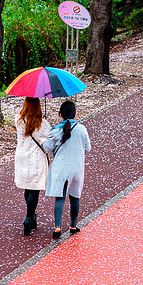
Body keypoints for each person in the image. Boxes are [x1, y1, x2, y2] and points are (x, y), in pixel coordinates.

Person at [44, 100, 91, 239]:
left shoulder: (56, 130)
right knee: (75, 197)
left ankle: (57, 227)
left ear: (61, 114)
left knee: (60, 198)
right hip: (76, 168)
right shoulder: (81, 129)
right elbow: (88, 148)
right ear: (74, 113)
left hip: (61, 168)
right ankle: (73, 225)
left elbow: (47, 147)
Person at [14, 97, 50, 236]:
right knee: (35, 189)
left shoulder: (18, 119)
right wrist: (45, 120)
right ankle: (29, 217)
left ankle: (32, 216)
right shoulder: (42, 123)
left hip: (22, 158)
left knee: (28, 187)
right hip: (36, 159)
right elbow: (48, 138)